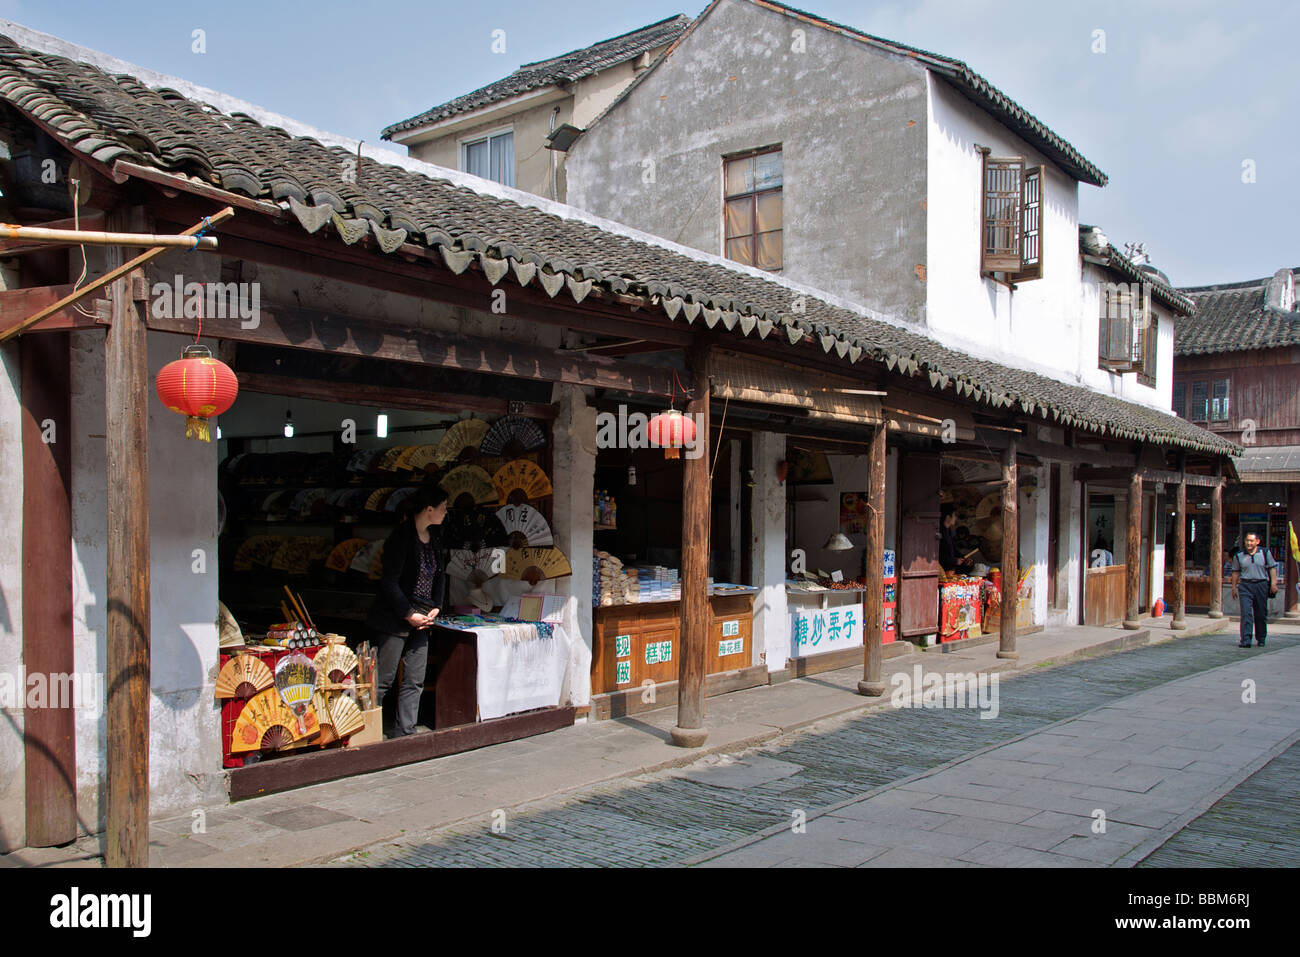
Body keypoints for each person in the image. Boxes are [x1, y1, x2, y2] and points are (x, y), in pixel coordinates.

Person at [366, 486, 450, 736]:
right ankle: (370, 731)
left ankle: (406, 731)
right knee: (384, 680)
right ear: (429, 509)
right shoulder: (401, 538)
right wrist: (407, 613)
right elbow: (389, 581)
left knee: (415, 678)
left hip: (423, 617)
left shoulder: (434, 538)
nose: (446, 512)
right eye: (443, 507)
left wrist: (436, 606)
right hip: (396, 618)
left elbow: (439, 576)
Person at [1231, 532, 1277, 648]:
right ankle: (1245, 640)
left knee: (1260, 613)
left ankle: (1261, 638)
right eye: (1247, 540)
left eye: (1251, 541)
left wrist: (1273, 584)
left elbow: (1272, 569)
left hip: (1261, 584)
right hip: (1245, 585)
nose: (1249, 543)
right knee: (1246, 613)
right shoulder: (1239, 555)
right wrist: (1234, 587)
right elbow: (1236, 572)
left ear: (1257, 542)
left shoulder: (1265, 553)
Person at [939, 505, 971, 574]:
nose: (956, 518)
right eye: (954, 515)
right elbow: (938, 555)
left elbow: (953, 548)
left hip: (950, 570)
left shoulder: (949, 531)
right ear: (948, 517)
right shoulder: (939, 531)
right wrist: (954, 561)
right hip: (941, 571)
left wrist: (963, 558)